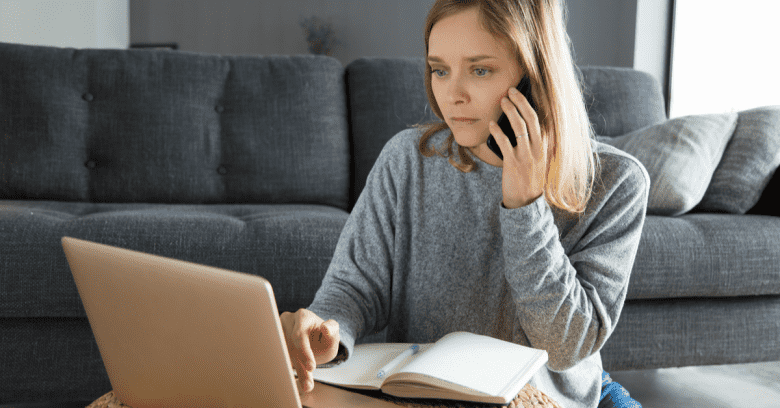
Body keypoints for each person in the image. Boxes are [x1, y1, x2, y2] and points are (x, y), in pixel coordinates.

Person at [280, 1, 649, 407]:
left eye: (479, 70)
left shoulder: (617, 182)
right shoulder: (406, 160)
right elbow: (352, 289)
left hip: (555, 397)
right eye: (440, 70)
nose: (451, 96)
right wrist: (328, 330)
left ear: (534, 76)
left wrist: (526, 207)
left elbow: (565, 347)